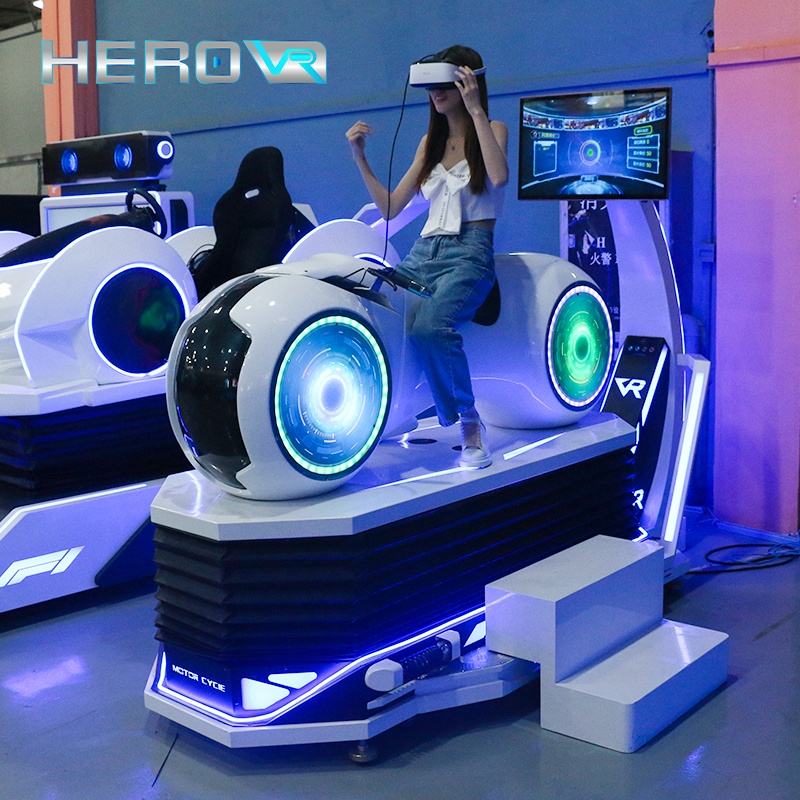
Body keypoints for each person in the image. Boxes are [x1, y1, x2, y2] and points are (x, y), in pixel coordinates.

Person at [345, 45, 508, 469]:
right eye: (431, 86)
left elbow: (498, 176)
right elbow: (390, 207)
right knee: (375, 311)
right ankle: (389, 413)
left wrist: (475, 109)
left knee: (431, 327)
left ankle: (470, 425)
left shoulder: (493, 129)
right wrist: (360, 158)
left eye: (444, 84)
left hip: (469, 250)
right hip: (424, 250)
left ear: (467, 82)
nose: (436, 93)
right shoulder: (428, 145)